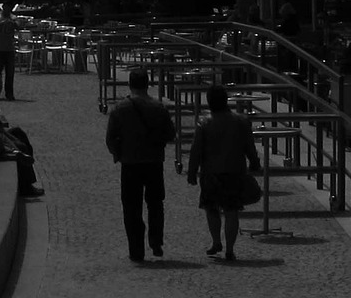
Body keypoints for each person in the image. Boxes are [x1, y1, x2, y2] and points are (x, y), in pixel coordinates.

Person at [105, 66, 175, 263]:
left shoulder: (120, 109)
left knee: (131, 206)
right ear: (147, 84)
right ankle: (156, 241)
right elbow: (171, 134)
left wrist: (118, 154)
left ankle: (136, 250)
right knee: (155, 203)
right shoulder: (158, 107)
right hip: (153, 161)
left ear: (130, 84)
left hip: (130, 163)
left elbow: (110, 138)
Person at [185, 85, 261, 260]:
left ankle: (215, 241)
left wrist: (192, 172)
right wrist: (254, 163)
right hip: (234, 171)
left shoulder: (204, 123)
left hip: (210, 173)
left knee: (211, 209)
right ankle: (230, 249)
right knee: (231, 210)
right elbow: (249, 146)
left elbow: (196, 150)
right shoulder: (241, 121)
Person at [0, 2, 19, 99]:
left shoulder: (12, 17)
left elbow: (18, 25)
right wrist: (0, 25)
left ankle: (9, 94)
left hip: (9, 49)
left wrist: (12, 23)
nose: (7, 10)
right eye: (6, 7)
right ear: (3, 7)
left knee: (10, 73)